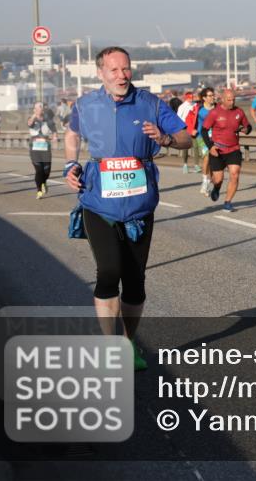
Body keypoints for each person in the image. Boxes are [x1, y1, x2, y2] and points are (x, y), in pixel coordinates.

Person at [63, 47, 190, 371]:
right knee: (108, 271)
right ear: (101, 73)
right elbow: (71, 133)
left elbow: (186, 137)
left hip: (138, 204)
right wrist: (70, 165)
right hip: (98, 201)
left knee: (134, 280)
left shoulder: (150, 103)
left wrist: (164, 139)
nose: (122, 75)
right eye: (114, 70)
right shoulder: (86, 105)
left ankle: (129, 342)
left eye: (126, 69)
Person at [201, 87, 252, 212]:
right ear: (222, 100)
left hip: (234, 149)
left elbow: (248, 126)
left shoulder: (239, 112)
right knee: (218, 179)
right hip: (217, 150)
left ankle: (228, 202)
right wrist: (210, 146)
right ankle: (217, 188)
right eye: (229, 100)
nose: (232, 102)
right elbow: (204, 130)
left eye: (233, 100)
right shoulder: (214, 113)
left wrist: (247, 129)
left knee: (234, 174)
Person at [27, 102, 58, 199]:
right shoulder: (31, 119)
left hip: (45, 149)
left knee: (46, 171)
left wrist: (55, 137)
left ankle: (44, 182)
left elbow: (54, 130)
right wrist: (34, 115)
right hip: (34, 150)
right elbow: (30, 124)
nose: (40, 108)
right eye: (38, 107)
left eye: (41, 107)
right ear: (34, 109)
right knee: (39, 170)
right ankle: (39, 190)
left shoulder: (48, 120)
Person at [192, 88, 217, 195]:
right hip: (202, 136)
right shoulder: (200, 109)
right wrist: (190, 129)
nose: (212, 97)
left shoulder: (218, 108)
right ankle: (204, 182)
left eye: (213, 95)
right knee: (207, 156)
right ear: (204, 98)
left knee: (213, 159)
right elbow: (189, 119)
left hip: (215, 136)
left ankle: (212, 182)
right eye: (210, 96)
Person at [176, 92, 200, 173]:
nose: (191, 99)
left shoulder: (195, 105)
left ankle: (196, 165)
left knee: (196, 146)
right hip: (185, 129)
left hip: (194, 128)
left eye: (192, 97)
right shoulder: (182, 107)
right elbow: (178, 118)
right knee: (185, 147)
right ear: (186, 98)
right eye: (189, 97)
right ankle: (185, 164)